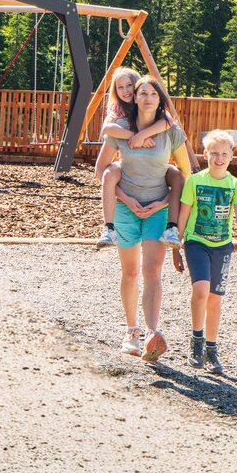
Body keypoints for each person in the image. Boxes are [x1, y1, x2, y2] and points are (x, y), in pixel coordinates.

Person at [95, 75, 191, 362]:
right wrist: (126, 198)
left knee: (152, 271)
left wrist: (163, 202)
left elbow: (184, 175)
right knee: (130, 272)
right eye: (142, 93)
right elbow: (102, 170)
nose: (148, 98)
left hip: (158, 209)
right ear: (134, 98)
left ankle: (151, 334)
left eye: (153, 94)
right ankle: (132, 332)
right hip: (126, 208)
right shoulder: (121, 127)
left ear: (160, 99)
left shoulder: (171, 131)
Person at [96, 67, 185, 250]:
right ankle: (108, 228)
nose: (126, 91)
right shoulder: (117, 110)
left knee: (176, 175)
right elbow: (106, 129)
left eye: (129, 85)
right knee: (110, 172)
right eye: (120, 87)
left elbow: (169, 122)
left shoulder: (156, 110)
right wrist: (134, 137)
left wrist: (143, 135)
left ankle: (172, 227)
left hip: (154, 181)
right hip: (128, 169)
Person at [173, 130, 237, 375]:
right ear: (205, 155)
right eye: (214, 153)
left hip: (222, 246)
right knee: (200, 290)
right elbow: (183, 216)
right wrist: (176, 248)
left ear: (231, 156)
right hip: (196, 243)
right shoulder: (195, 181)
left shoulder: (234, 185)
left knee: (215, 298)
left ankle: (211, 348)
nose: (219, 158)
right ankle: (196, 340)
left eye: (224, 154)